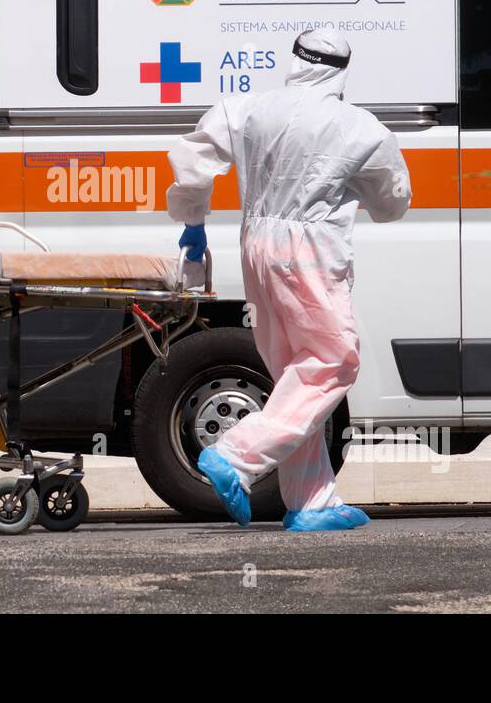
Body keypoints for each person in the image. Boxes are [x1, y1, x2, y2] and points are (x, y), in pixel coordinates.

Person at [166, 30, 411, 532]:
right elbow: (392, 205)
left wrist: (193, 221)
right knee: (332, 361)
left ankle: (312, 501)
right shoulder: (359, 127)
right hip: (312, 251)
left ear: (295, 62)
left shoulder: (247, 108)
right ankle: (235, 453)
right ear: (342, 72)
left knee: (295, 379)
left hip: (256, 242)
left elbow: (192, 162)